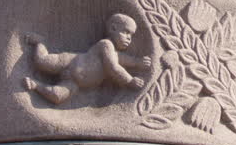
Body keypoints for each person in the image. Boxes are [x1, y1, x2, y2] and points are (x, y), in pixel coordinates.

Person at [23, 14, 151, 104]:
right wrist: (129, 80)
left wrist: (137, 63)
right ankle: (40, 42)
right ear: (113, 28)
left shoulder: (113, 53)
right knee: (42, 61)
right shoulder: (105, 44)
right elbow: (113, 67)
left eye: (131, 35)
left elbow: (120, 59)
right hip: (70, 62)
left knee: (57, 96)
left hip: (75, 83)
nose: (129, 38)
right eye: (126, 32)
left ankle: (36, 85)